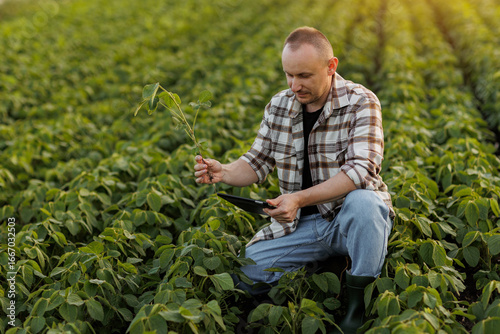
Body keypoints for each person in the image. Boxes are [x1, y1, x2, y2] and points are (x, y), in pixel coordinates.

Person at [194, 26, 394, 333]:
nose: (294, 85)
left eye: (304, 76)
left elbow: (361, 170)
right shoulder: (279, 106)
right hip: (300, 224)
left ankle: (357, 306)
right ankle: (321, 265)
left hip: (347, 217)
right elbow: (257, 162)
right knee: (245, 276)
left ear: (331, 67)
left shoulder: (361, 102)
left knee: (367, 204)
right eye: (288, 75)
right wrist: (225, 172)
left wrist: (299, 198)